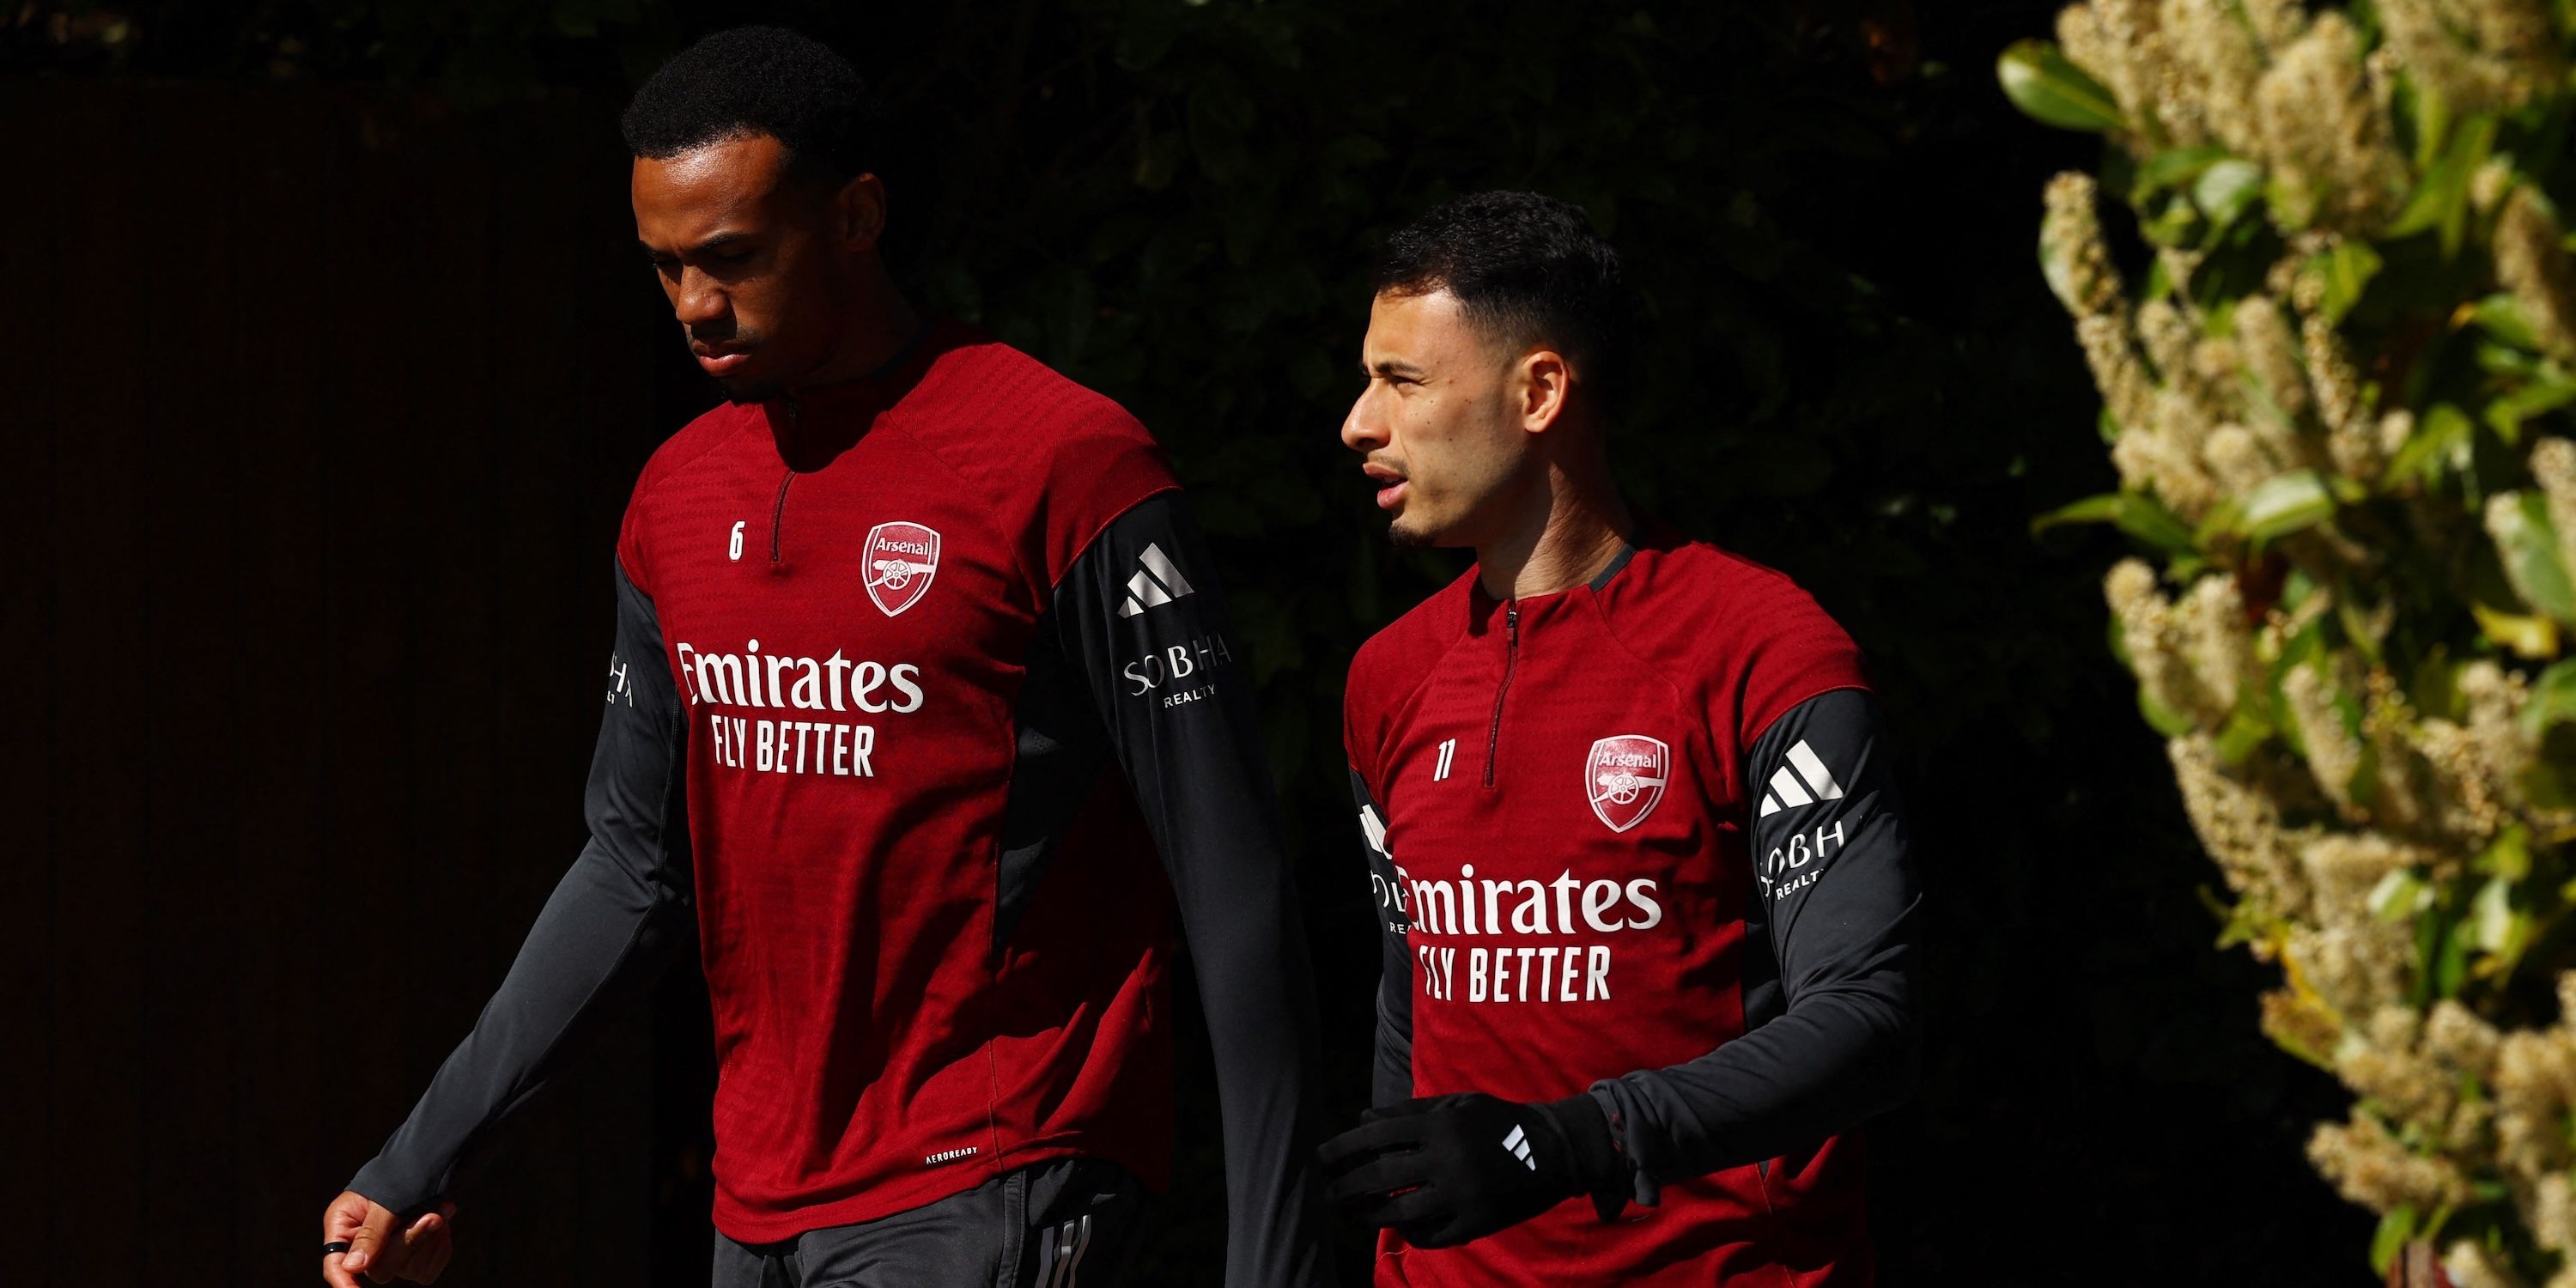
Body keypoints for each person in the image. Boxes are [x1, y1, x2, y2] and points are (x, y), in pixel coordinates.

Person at [319, 27, 1334, 1288]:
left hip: (991, 1174)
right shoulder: (676, 498)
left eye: (731, 259)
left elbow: (1234, 887)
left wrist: (1277, 1260)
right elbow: (633, 866)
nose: (694, 305)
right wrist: (416, 1163)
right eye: (664, 267)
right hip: (758, 1207)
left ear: (856, 217)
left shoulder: (1066, 466)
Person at [1318, 191, 1923, 1285]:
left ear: (1540, 391)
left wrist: (1571, 1141)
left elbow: (1867, 1017)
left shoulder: (1763, 653)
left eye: (1400, 382)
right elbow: (1411, 997)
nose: (1359, 422)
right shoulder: (1387, 680)